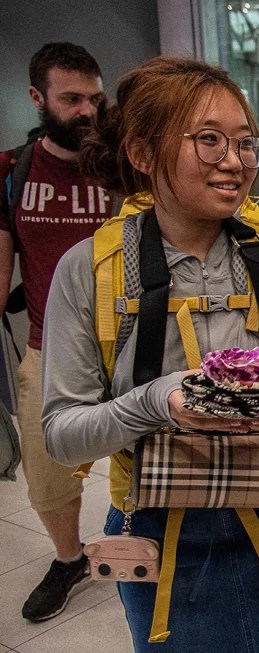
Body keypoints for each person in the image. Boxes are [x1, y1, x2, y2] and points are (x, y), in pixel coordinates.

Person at [40, 57, 259, 651]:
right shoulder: (91, 271)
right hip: (154, 527)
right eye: (209, 140)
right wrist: (157, 402)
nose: (234, 161)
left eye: (244, 143)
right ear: (142, 152)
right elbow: (62, 435)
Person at [0, 42, 111, 623]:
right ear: (37, 98)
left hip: (129, 344)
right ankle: (69, 559)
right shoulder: (12, 172)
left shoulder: (124, 166)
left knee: (158, 459)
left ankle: (165, 546)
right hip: (50, 348)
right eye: (72, 99)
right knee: (46, 478)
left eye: (95, 98)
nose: (87, 111)